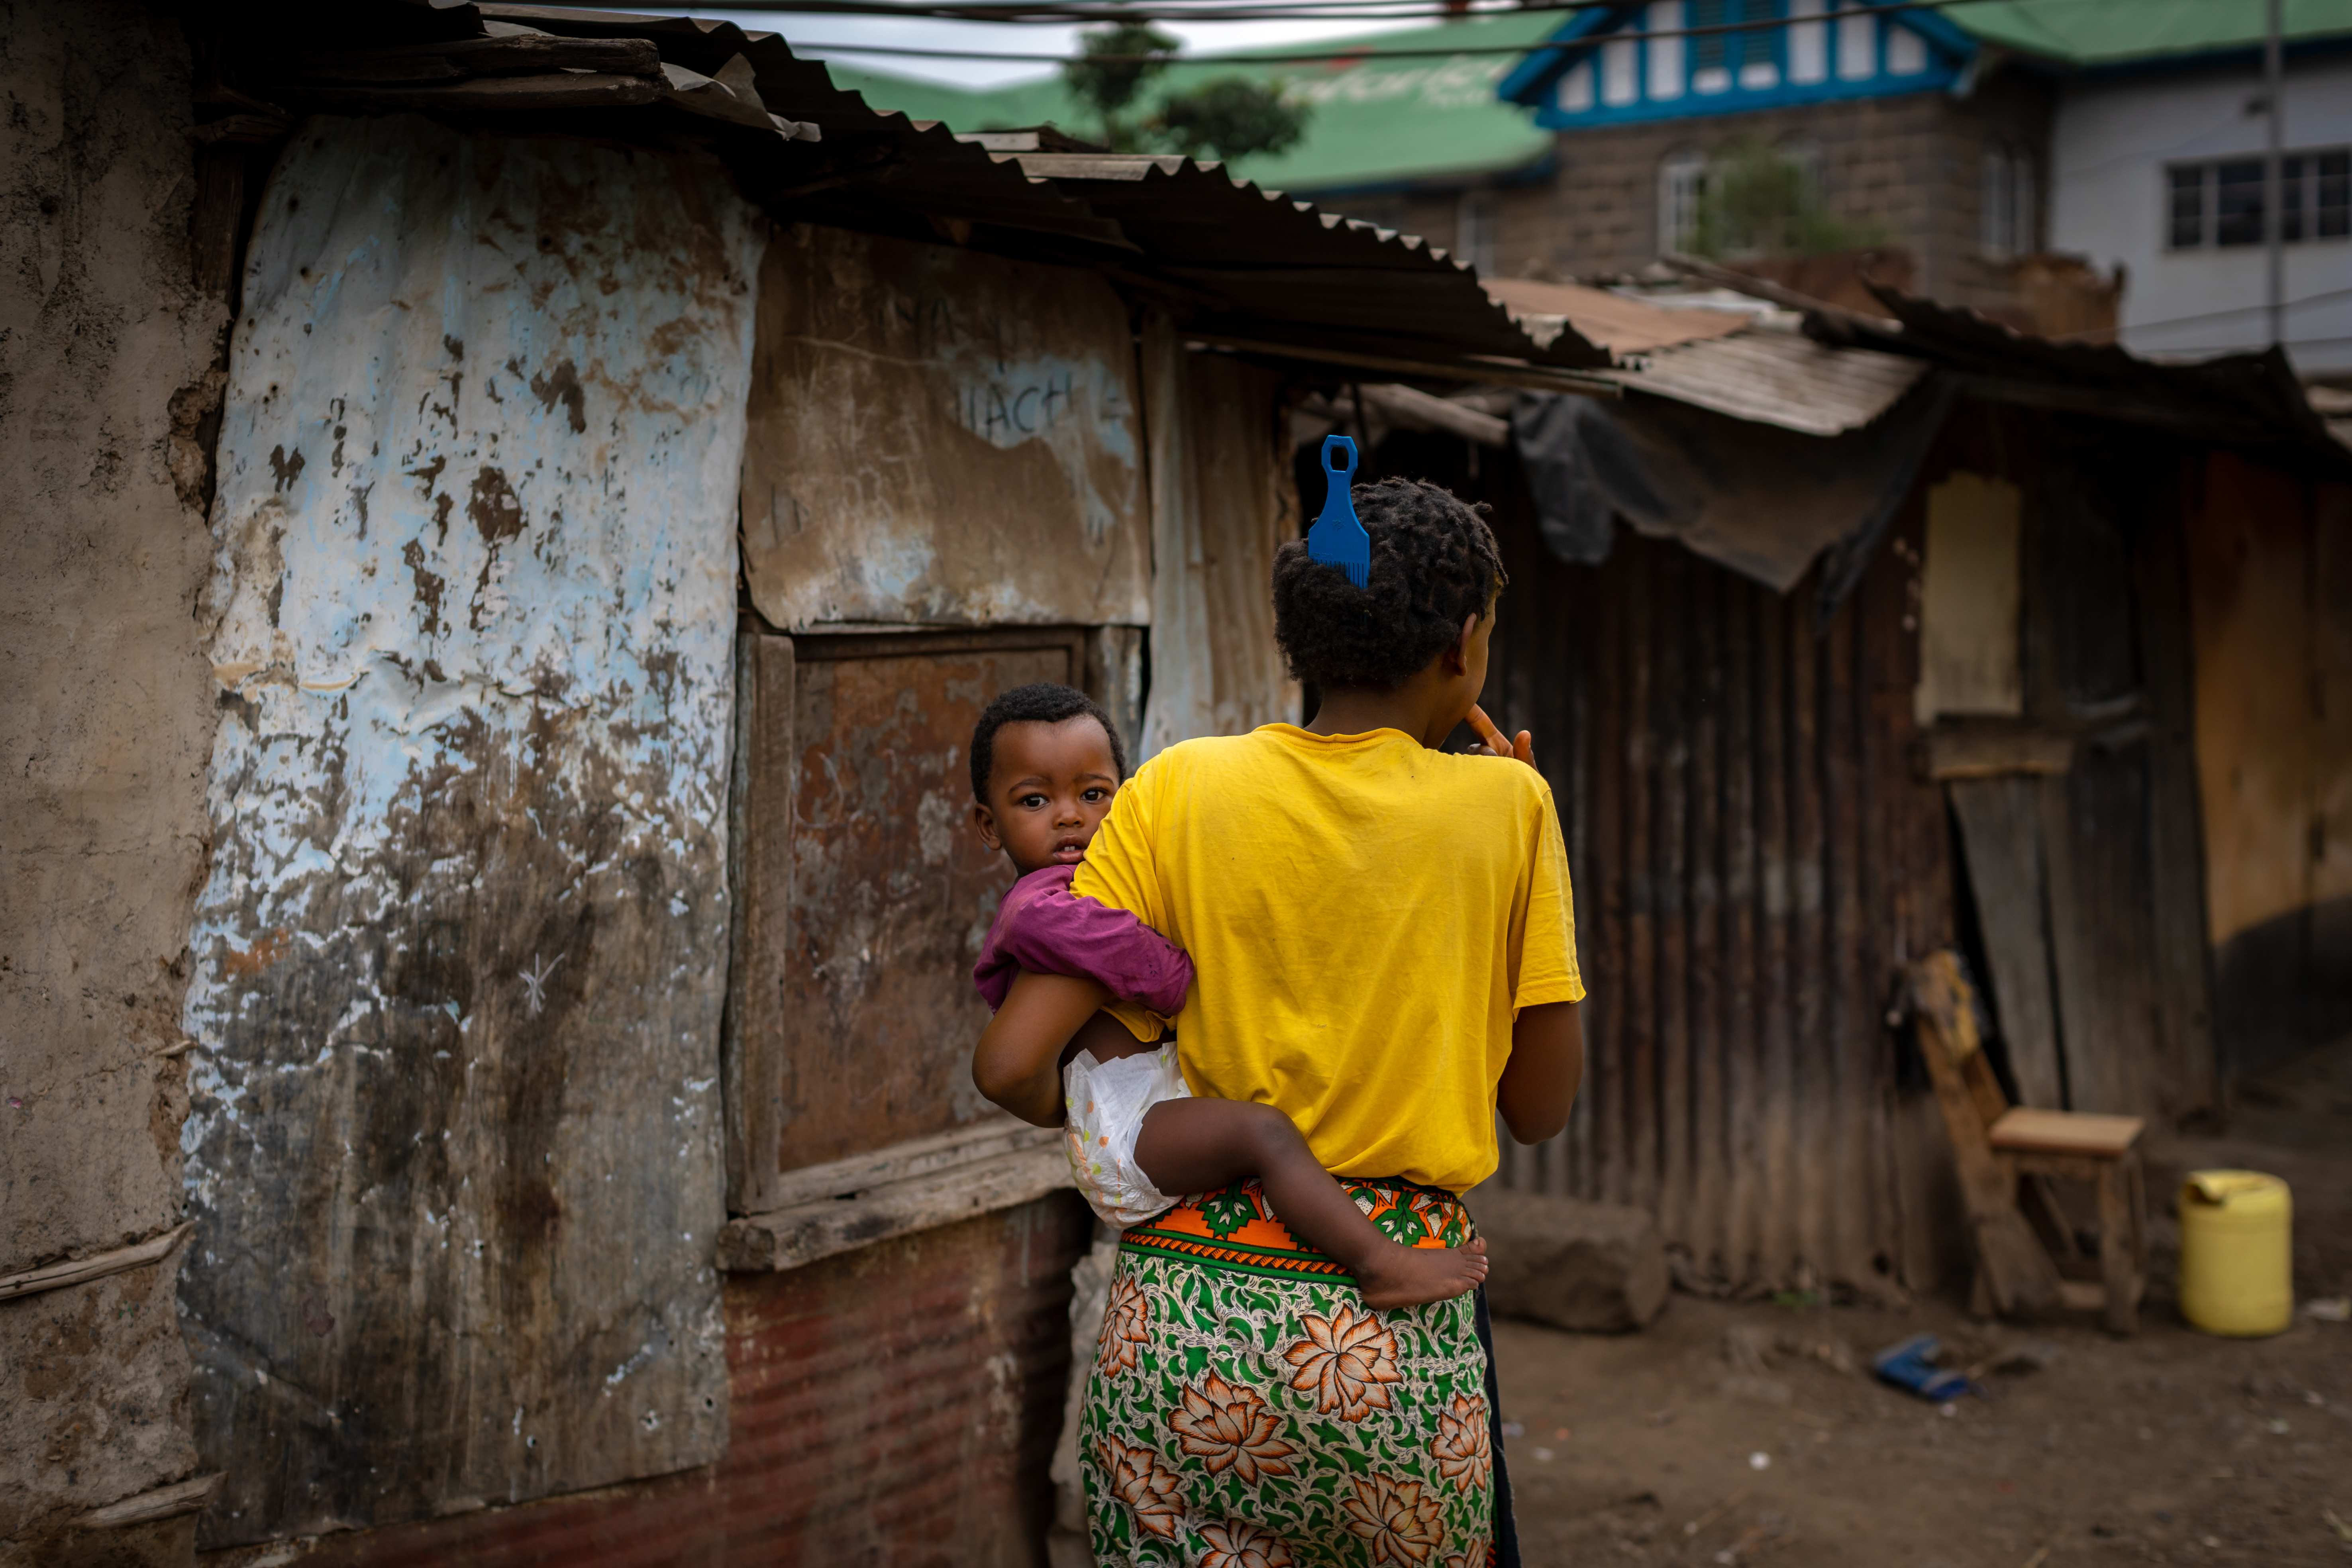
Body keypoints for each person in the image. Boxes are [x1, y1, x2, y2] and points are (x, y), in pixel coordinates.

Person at [971, 478, 1585, 1568]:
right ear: (1464, 647)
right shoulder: (1509, 810)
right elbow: (1539, 1110)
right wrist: (1527, 858)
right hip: (1389, 1345)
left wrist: (1112, 1119)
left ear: (1305, 642)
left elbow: (1016, 1060)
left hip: (1181, 1334)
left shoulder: (1174, 790)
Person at [966, 682, 1491, 1309]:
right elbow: (1139, 967)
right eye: (1034, 799)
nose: (1070, 815)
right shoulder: (1046, 905)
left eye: (1093, 794)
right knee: (1263, 1134)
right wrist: (1181, 972)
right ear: (989, 826)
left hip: (1138, 1113)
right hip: (1129, 1127)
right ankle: (1381, 1264)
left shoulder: (1109, 875)